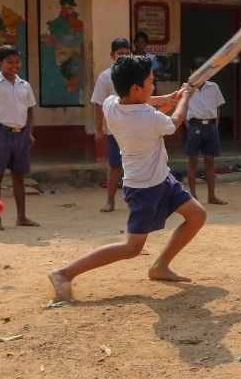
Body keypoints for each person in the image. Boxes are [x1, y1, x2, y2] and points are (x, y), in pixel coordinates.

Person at [48, 55, 206, 301]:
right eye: (151, 82)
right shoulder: (148, 118)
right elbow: (174, 122)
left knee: (196, 215)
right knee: (131, 248)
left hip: (161, 179)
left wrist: (165, 99)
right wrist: (185, 97)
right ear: (135, 88)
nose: (153, 86)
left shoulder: (112, 104)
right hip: (144, 189)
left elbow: (145, 106)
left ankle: (160, 266)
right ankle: (64, 273)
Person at [0, 44, 40, 230]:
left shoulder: (24, 85)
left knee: (19, 177)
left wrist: (30, 132)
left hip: (20, 135)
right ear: (0, 63)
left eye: (17, 62)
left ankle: (22, 217)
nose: (14, 65)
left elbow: (30, 110)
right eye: (9, 62)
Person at [91, 37, 132, 212]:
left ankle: (134, 201)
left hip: (134, 127)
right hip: (114, 129)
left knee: (134, 165)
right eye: (119, 53)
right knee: (114, 165)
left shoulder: (135, 74)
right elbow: (99, 104)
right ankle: (110, 201)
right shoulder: (105, 76)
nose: (123, 56)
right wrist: (99, 128)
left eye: (126, 53)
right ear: (112, 55)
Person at [185, 57, 227, 205]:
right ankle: (193, 196)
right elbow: (182, 109)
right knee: (192, 162)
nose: (201, 75)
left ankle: (212, 196)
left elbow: (217, 107)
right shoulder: (186, 89)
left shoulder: (213, 87)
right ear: (191, 72)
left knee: (210, 162)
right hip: (194, 125)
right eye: (197, 71)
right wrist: (189, 126)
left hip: (210, 126)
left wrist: (215, 125)